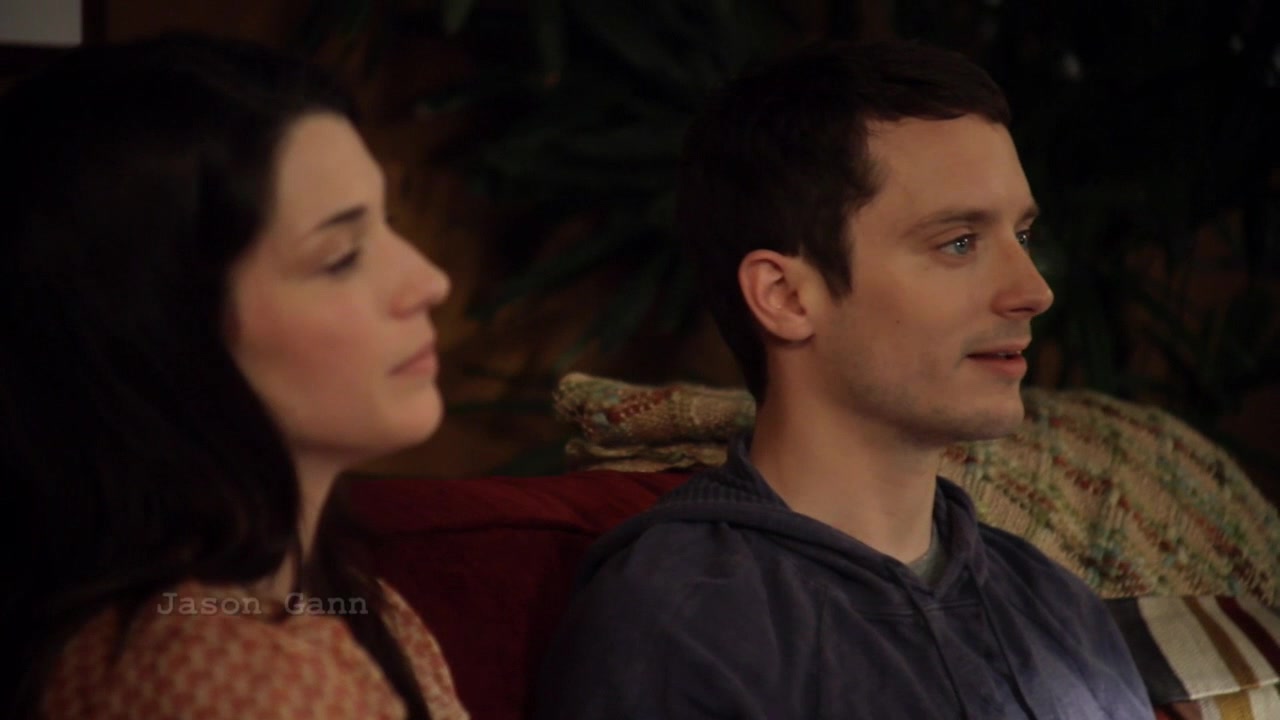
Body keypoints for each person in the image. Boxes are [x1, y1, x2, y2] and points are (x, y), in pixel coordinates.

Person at [534, 40, 1152, 719]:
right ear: (786, 297)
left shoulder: (1057, 606)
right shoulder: (681, 623)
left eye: (1023, 236)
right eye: (958, 243)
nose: (1033, 291)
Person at [0, 34, 467, 719]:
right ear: (161, 333)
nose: (429, 281)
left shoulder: (361, 609)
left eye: (387, 225)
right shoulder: (207, 670)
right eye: (341, 256)